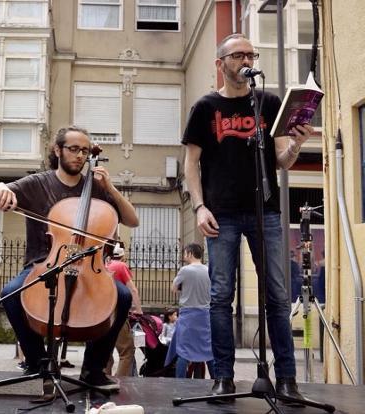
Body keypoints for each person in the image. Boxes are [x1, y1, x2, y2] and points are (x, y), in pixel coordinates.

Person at [183, 33, 313, 403]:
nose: (244, 59)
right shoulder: (205, 107)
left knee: (276, 292)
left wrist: (298, 143)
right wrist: (199, 206)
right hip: (220, 213)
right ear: (220, 63)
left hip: (265, 212)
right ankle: (222, 377)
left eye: (249, 54)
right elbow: (191, 164)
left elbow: (280, 161)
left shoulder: (267, 102)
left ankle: (286, 378)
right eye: (236, 54)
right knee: (221, 296)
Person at [0, 125, 139, 390]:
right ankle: (38, 364)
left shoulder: (97, 189)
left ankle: (93, 370)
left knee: (122, 297)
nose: (80, 155)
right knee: (11, 292)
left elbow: (132, 220)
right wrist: (1, 187)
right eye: (73, 149)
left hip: (88, 265)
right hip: (43, 263)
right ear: (58, 150)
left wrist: (110, 188)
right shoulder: (38, 183)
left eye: (85, 151)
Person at [166, 243, 214, 379]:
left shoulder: (185, 270)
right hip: (205, 314)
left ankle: (180, 382)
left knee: (184, 351)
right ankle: (217, 380)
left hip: (188, 315)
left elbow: (174, 288)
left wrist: (184, 288)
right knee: (207, 350)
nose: (184, 256)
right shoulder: (208, 269)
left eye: (185, 253)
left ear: (190, 253)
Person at [105, 243, 142, 377]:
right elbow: (133, 289)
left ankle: (104, 379)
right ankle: (121, 381)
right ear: (122, 255)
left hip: (104, 314)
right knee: (127, 351)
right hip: (117, 312)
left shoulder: (105, 265)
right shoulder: (121, 266)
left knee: (106, 352)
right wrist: (139, 309)